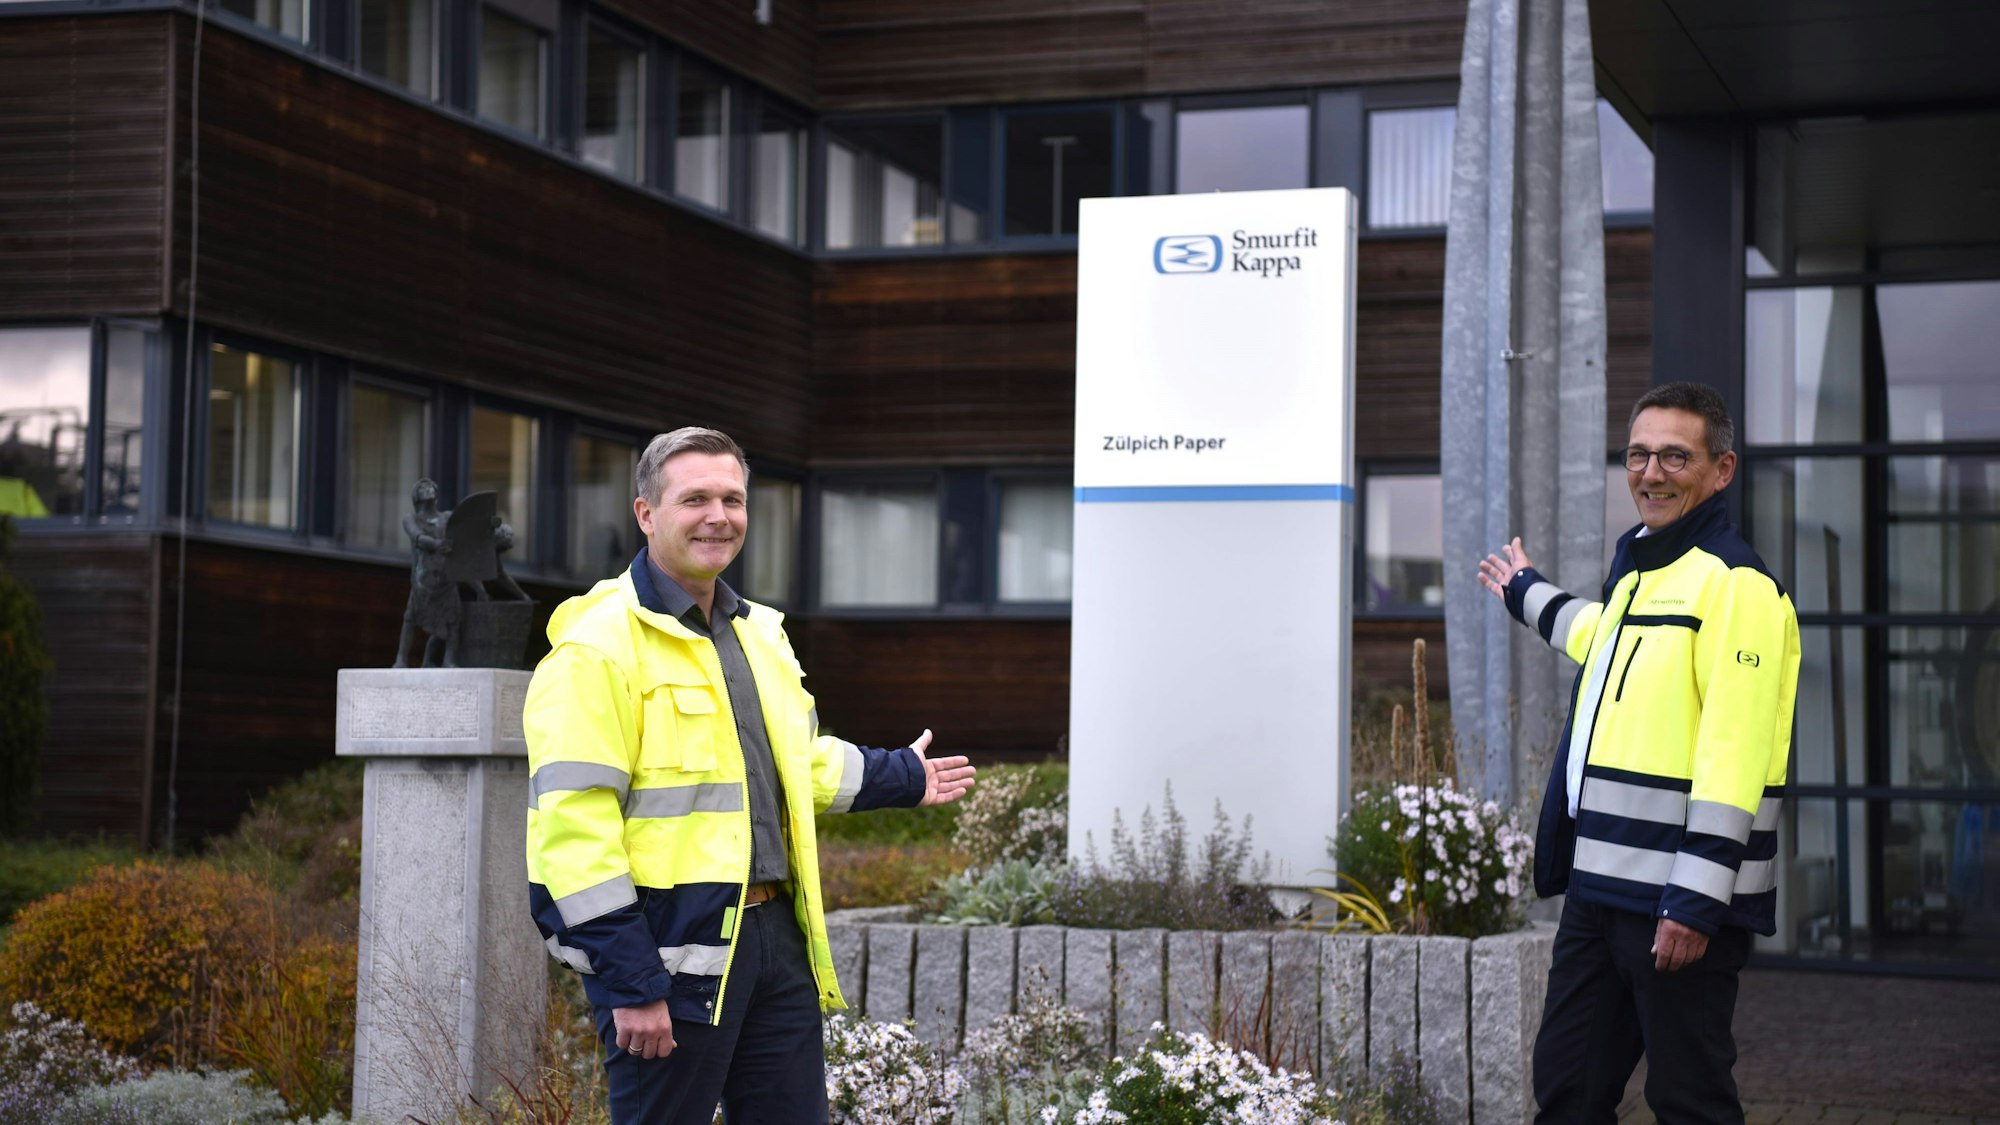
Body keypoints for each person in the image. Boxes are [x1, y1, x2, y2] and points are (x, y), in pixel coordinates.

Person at [523, 426, 975, 1124]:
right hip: (669, 958)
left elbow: (796, 761)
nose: (718, 515)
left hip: (774, 944)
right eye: (695, 498)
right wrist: (630, 980)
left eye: (732, 498)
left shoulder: (757, 632)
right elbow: (573, 836)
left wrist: (900, 776)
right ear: (646, 513)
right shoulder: (596, 648)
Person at [1476, 382, 1800, 1125]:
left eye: (1675, 456)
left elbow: (1736, 750)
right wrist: (1525, 591)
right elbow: (1601, 639)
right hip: (1599, 892)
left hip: (1676, 907)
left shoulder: (1738, 585)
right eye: (1639, 454)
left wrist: (1693, 900)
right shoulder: (1644, 571)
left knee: (1689, 1102)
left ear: (1721, 470)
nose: (1651, 472)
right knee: (1567, 1088)